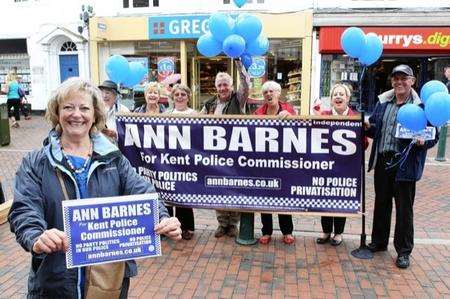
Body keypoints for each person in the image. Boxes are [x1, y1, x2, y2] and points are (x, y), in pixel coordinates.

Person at [8, 77, 182, 298]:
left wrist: (162, 217)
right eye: (68, 107)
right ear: (56, 112)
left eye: (84, 108)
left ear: (95, 114)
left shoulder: (113, 158)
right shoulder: (36, 162)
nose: (76, 114)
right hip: (55, 281)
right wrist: (37, 237)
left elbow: (143, 192)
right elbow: (24, 208)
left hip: (107, 283)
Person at [364, 65, 438, 269]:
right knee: (381, 204)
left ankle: (404, 251)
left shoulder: (421, 106)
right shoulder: (383, 103)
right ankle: (379, 242)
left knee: (404, 210)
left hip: (405, 165)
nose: (399, 82)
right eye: (396, 78)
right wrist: (368, 128)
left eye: (403, 79)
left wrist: (425, 141)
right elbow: (376, 129)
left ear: (412, 81)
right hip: (383, 161)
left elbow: (434, 136)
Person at [200, 60, 250, 238]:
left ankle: (233, 224)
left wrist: (239, 65)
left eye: (225, 85)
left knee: (235, 187)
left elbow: (246, 84)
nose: (222, 88)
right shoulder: (209, 104)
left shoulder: (239, 99)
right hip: (216, 154)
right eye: (219, 85)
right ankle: (222, 224)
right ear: (216, 87)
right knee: (217, 187)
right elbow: (197, 124)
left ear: (231, 86)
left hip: (236, 153)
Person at [316, 83, 364, 246]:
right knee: (325, 198)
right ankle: (326, 231)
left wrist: (363, 131)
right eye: (335, 94)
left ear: (347, 98)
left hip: (346, 166)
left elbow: (363, 144)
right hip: (326, 165)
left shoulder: (356, 117)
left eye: (341, 94)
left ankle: (338, 233)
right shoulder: (323, 115)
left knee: (341, 197)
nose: (338, 97)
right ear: (330, 99)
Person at [254, 81, 295, 245]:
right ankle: (266, 231)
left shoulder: (288, 109)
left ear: (278, 93)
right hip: (264, 161)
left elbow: (300, 126)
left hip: (283, 161)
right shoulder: (258, 112)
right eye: (265, 93)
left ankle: (287, 231)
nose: (269, 95)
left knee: (283, 195)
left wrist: (291, 117)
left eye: (272, 91)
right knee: (265, 197)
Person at [162, 84, 197, 240]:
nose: (180, 97)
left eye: (183, 94)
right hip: (169, 159)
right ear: (173, 97)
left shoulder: (195, 114)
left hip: (187, 159)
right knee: (168, 192)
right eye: (177, 94)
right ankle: (169, 227)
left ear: (188, 96)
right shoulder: (166, 114)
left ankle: (186, 227)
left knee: (185, 193)